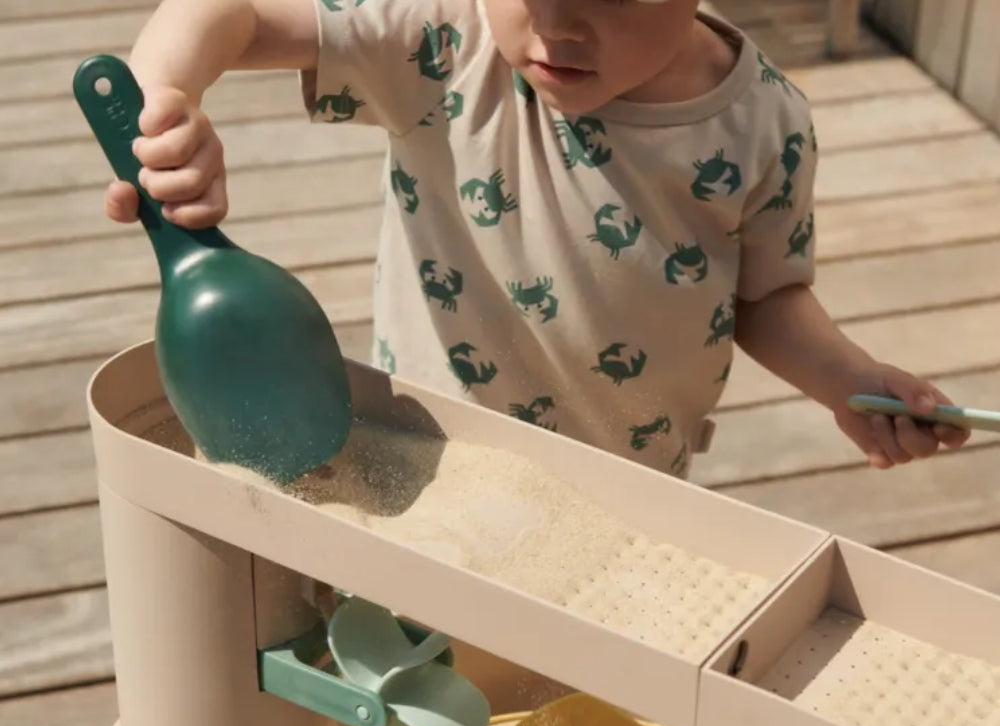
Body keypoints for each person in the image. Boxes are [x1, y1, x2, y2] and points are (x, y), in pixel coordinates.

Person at [105, 0, 969, 478]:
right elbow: (230, 15)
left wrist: (849, 381)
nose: (557, 28)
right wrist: (162, 105)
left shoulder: (764, 122)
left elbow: (766, 296)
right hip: (428, 468)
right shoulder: (444, 42)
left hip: (631, 489)